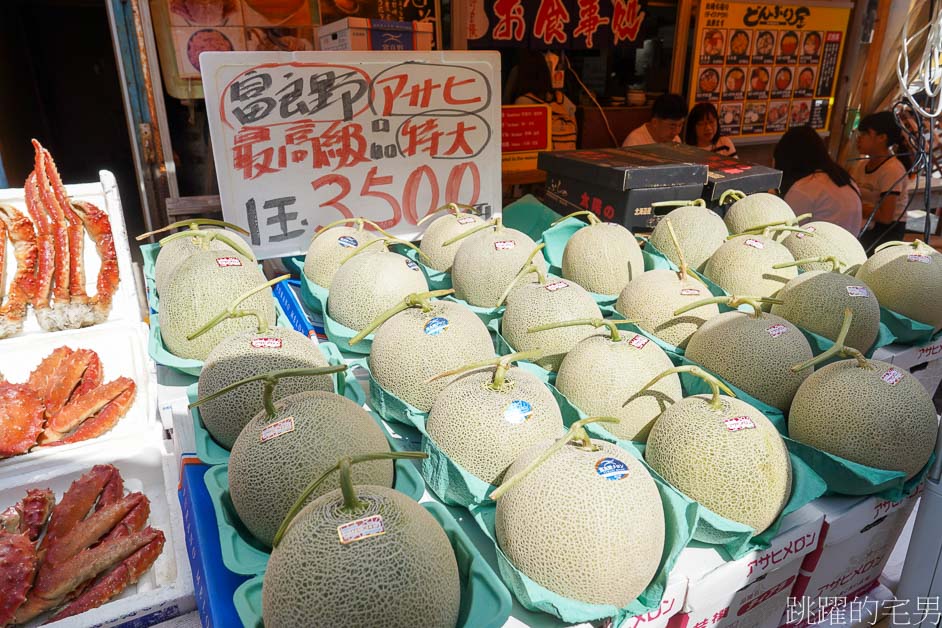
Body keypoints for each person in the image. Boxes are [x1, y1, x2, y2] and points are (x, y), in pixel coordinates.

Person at [772, 126, 861, 234]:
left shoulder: (805, 188)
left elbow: (783, 232)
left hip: (819, 247)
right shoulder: (844, 178)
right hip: (852, 248)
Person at [849, 111, 914, 248]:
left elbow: (885, 216)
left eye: (865, 134)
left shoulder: (892, 169)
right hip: (864, 226)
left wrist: (857, 206)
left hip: (885, 234)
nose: (859, 138)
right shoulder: (860, 166)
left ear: (882, 138)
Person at [511, 50, 578, 151]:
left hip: (538, 160)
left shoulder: (522, 102)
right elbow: (575, 130)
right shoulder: (562, 99)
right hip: (567, 157)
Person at [622, 93, 687, 147]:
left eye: (680, 125)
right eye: (672, 126)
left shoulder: (676, 139)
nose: (676, 132)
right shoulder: (635, 142)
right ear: (655, 122)